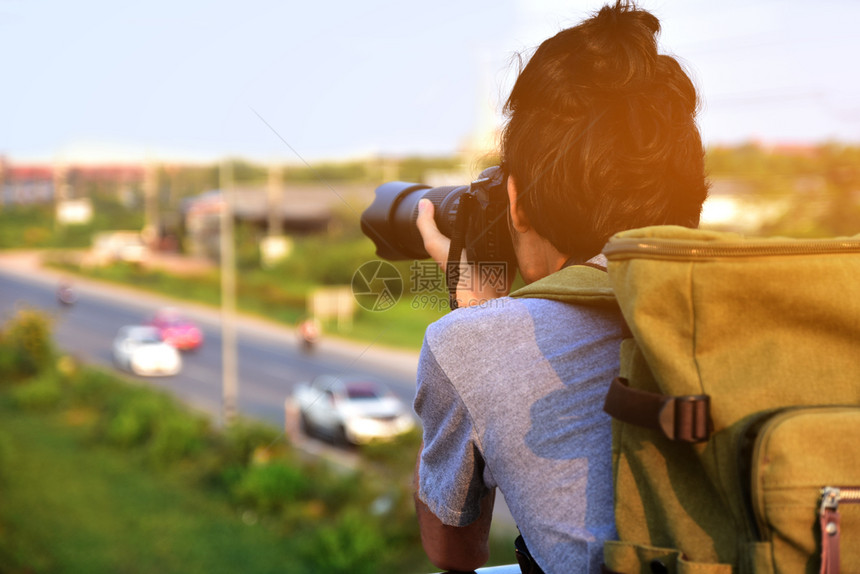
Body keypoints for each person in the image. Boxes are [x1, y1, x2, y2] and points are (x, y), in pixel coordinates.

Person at [411, 2, 710, 572]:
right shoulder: (756, 305)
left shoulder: (471, 345)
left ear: (517, 202)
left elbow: (455, 552)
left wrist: (474, 320)